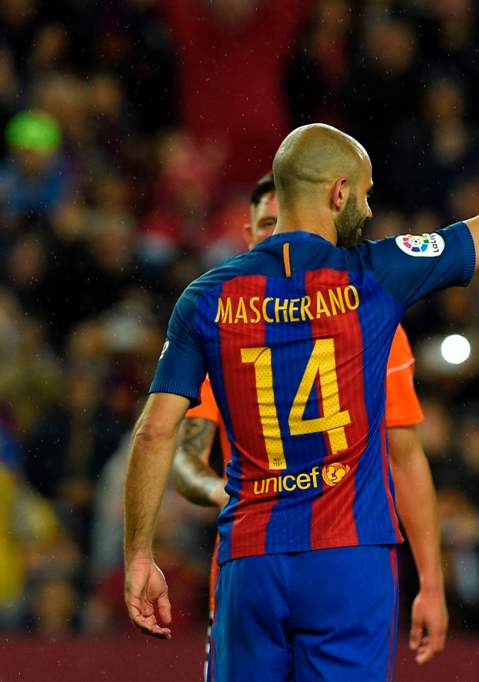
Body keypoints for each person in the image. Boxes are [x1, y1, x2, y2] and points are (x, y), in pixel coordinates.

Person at [123, 37, 479, 680]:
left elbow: (154, 433)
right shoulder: (375, 276)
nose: (369, 208)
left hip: (251, 557)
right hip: (349, 556)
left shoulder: (206, 296)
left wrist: (138, 554)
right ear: (339, 193)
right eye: (364, 194)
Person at [169, 173, 448, 669]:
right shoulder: (226, 327)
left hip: (313, 563)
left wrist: (430, 581)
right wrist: (223, 492)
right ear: (249, 236)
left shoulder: (373, 322)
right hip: (259, 569)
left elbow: (404, 456)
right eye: (268, 224)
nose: (280, 235)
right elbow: (186, 457)